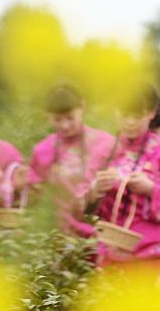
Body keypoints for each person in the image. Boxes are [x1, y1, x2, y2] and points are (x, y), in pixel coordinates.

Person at [92, 86, 160, 265]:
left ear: (151, 113)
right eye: (125, 115)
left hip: (155, 257)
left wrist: (151, 189)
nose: (130, 122)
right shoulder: (104, 149)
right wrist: (95, 190)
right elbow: (79, 207)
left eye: (137, 116)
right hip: (111, 255)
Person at [27, 84, 115, 238]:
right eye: (57, 119)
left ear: (82, 107)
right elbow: (33, 197)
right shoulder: (43, 150)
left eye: (70, 118)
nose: (65, 125)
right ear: (47, 115)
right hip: (61, 235)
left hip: (103, 233)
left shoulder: (106, 143)